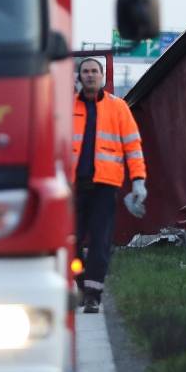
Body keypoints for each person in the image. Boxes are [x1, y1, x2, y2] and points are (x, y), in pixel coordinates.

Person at [70, 57, 148, 313]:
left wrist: (138, 182)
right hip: (73, 187)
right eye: (86, 71)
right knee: (70, 242)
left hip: (105, 186)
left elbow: (132, 146)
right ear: (79, 77)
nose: (90, 75)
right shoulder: (67, 107)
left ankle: (93, 294)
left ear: (102, 76)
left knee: (100, 243)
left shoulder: (118, 107)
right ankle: (81, 283)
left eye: (94, 71)